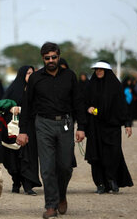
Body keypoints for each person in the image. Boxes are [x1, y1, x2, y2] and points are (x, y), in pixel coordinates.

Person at [17, 42, 86, 219]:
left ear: (59, 56)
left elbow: (78, 102)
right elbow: (27, 105)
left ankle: (62, 195)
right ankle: (50, 205)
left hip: (65, 124)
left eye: (54, 57)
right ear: (43, 58)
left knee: (65, 166)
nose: (51, 60)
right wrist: (23, 131)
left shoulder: (69, 76)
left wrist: (82, 128)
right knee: (47, 168)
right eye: (47, 58)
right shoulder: (35, 78)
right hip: (43, 125)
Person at [84, 60, 133, 195]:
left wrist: (127, 124)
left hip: (112, 127)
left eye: (101, 69)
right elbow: (83, 102)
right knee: (96, 155)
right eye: (96, 70)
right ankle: (100, 184)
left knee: (113, 154)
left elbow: (122, 106)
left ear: (107, 71)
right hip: (95, 127)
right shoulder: (91, 86)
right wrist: (88, 108)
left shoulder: (115, 86)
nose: (98, 72)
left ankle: (112, 180)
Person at [1, 66, 42, 195]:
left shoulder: (37, 89)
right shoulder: (14, 88)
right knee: (12, 155)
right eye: (28, 73)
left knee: (28, 155)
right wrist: (11, 109)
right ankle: (16, 181)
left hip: (31, 127)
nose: (30, 75)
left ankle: (28, 184)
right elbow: (1, 105)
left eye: (32, 73)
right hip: (14, 127)